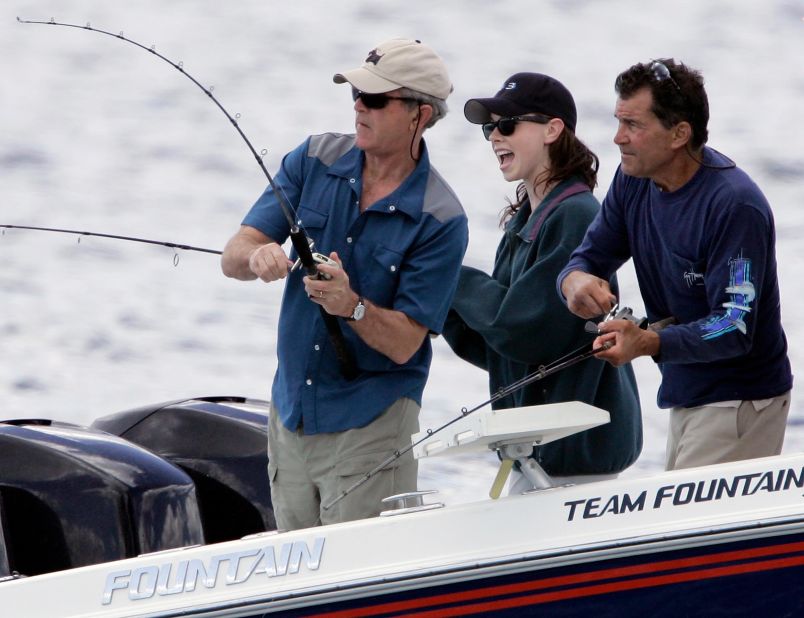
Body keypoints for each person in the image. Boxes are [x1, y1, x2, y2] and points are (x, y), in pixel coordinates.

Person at [221, 38, 468, 529]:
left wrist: (351, 305)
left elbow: (404, 345)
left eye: (374, 99)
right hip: (290, 418)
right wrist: (259, 255)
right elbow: (234, 254)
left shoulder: (442, 219)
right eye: (355, 93)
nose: (358, 106)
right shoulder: (312, 158)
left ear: (420, 115)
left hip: (371, 427)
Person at [558, 58, 792, 471]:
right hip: (685, 392)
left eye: (633, 125)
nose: (617, 138)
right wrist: (574, 281)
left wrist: (649, 342)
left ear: (679, 134)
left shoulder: (735, 206)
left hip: (740, 400)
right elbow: (590, 255)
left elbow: (733, 325)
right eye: (618, 121)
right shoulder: (634, 179)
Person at [442, 72, 642, 492]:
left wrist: (447, 276)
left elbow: (523, 329)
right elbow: (503, 348)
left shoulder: (577, 215)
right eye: (489, 128)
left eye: (508, 125)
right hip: (535, 460)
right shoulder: (523, 223)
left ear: (553, 129)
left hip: (578, 470)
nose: (496, 136)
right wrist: (441, 305)